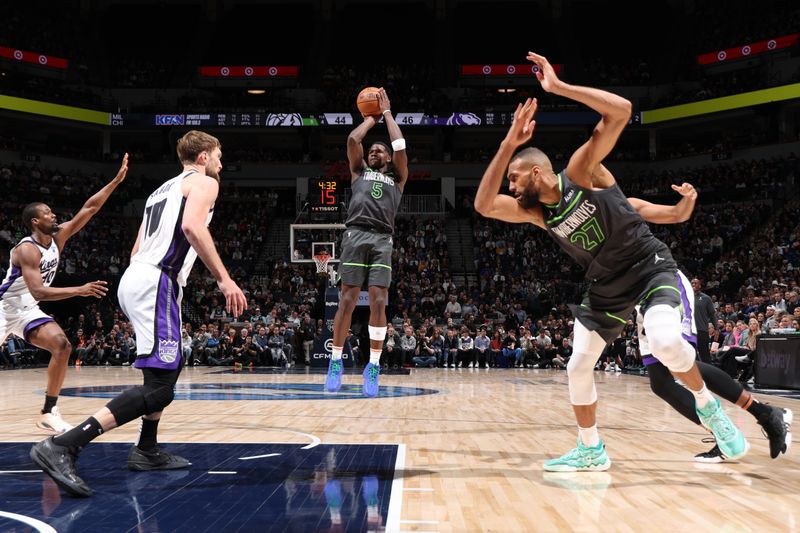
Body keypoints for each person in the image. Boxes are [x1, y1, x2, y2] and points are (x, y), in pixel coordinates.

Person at [473, 52, 747, 472]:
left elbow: (621, 111)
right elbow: (484, 204)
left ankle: (710, 410)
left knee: (666, 343)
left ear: (536, 173)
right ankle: (591, 449)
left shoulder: (581, 172)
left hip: (649, 266)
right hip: (606, 285)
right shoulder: (537, 213)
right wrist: (509, 143)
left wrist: (560, 89)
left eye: (514, 177)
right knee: (577, 366)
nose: (511, 186)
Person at [31, 130, 247, 497]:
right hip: (157, 281)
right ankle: (64, 444)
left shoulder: (160, 190)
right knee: (161, 387)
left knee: (167, 369)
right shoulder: (205, 182)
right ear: (203, 158)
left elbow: (136, 248)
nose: (221, 163)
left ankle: (147, 448)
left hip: (137, 277)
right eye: (219, 155)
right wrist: (224, 279)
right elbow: (192, 227)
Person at [2, 156, 127, 433]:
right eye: (48, 213)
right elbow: (39, 291)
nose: (54, 215)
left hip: (27, 310)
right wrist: (79, 290)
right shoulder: (27, 249)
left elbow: (90, 208)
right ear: (36, 221)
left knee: (62, 345)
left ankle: (49, 411)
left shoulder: (58, 238)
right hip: (4, 308)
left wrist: (115, 182)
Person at [325, 88, 408, 397]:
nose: (374, 152)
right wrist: (370, 119)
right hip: (355, 234)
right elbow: (352, 141)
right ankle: (336, 361)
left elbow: (399, 143)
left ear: (388, 158)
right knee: (346, 299)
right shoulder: (358, 172)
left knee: (377, 300)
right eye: (372, 150)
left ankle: (373, 366)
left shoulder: (398, 176)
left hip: (382, 238)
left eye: (379, 151)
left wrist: (387, 114)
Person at [691, 278, 716, 364]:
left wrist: (716, 328)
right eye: (692, 283)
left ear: (700, 286)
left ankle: (709, 376)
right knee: (690, 356)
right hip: (689, 331)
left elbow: (712, 314)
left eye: (695, 283)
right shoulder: (686, 297)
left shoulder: (706, 298)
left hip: (702, 330)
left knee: (704, 356)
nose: (693, 284)